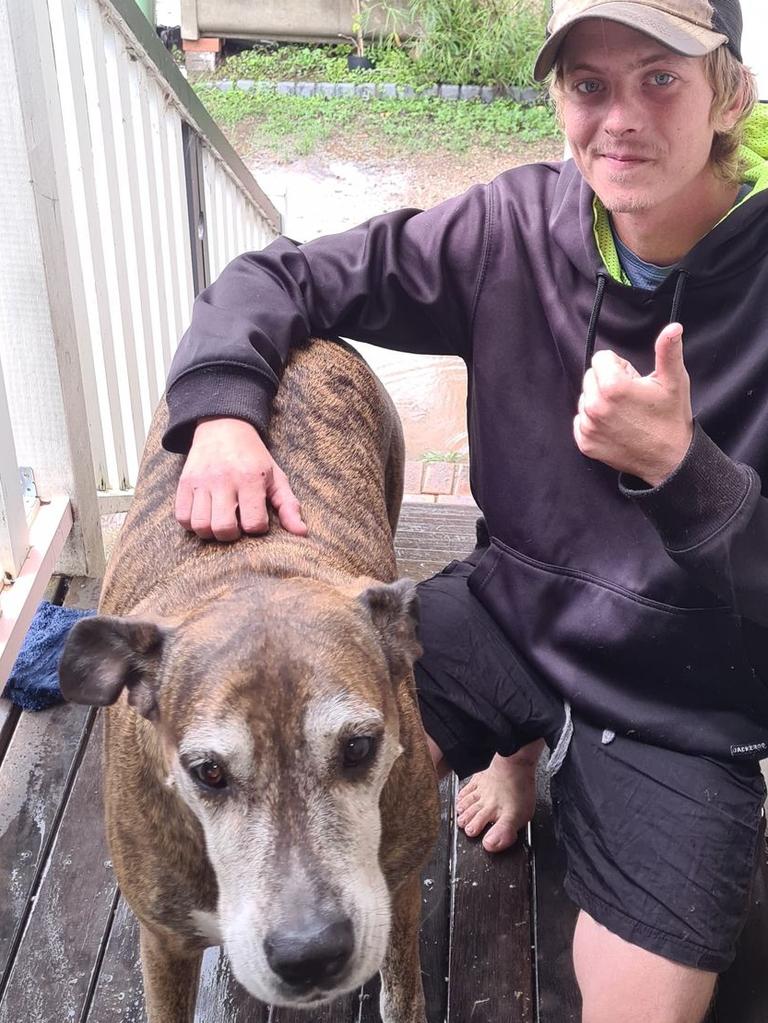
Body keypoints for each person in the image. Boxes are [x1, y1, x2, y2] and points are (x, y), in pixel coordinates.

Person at [162, 1, 768, 1019]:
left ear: (729, 96)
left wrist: (683, 471)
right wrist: (220, 410)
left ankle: (542, 762)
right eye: (588, 85)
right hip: (512, 610)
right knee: (300, 736)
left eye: (660, 78)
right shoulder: (511, 229)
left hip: (687, 691)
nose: (618, 118)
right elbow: (281, 274)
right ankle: (517, 754)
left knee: (645, 1011)